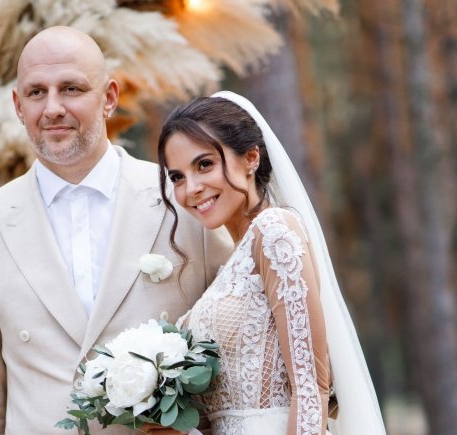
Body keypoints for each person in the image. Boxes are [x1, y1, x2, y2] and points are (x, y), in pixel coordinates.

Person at [0, 26, 231, 434]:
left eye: (71, 89)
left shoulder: (183, 202)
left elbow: (240, 355)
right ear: (18, 105)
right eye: (36, 92)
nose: (52, 108)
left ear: (109, 97)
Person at [157, 91, 387, 435]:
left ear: (251, 158)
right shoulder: (233, 261)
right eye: (177, 177)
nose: (191, 188)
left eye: (204, 165)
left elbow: (310, 390)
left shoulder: (273, 230)